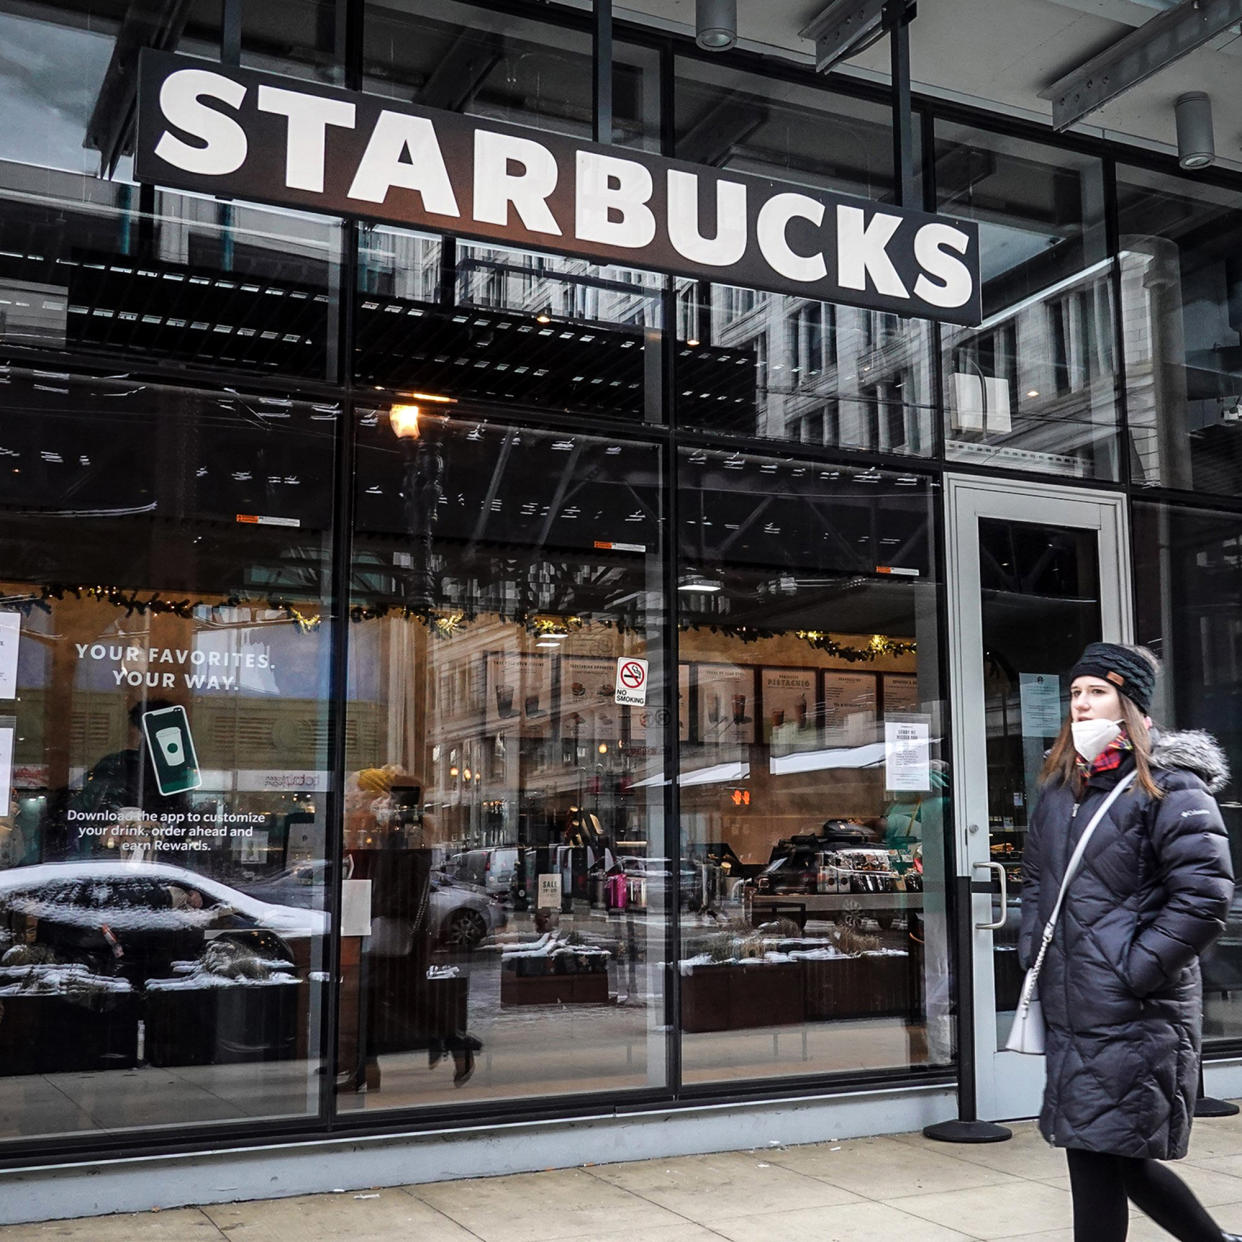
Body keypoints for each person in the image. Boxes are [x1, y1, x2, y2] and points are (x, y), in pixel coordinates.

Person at [1020, 642, 1237, 1242]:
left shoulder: (1172, 787)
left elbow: (1203, 897)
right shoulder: (1063, 789)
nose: (1081, 706)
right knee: (1107, 1152)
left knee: (1099, 1154)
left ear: (1130, 704)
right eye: (1075, 694)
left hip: (1136, 1010)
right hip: (1076, 1006)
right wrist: (1033, 950)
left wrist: (1133, 970)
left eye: (1097, 693)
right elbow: (1037, 881)